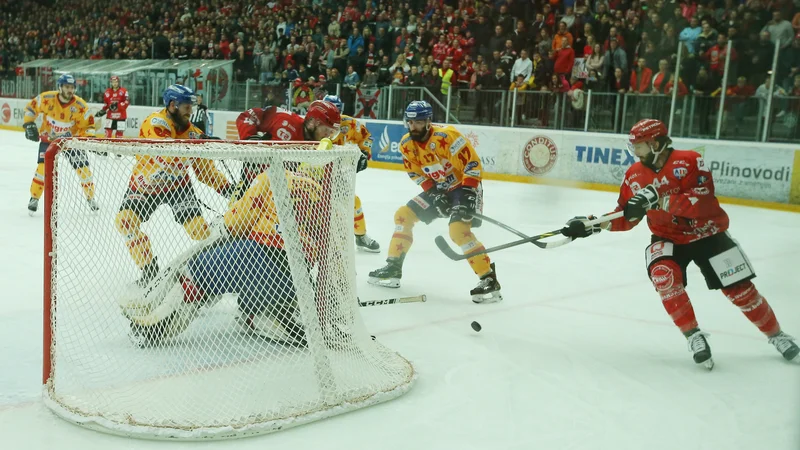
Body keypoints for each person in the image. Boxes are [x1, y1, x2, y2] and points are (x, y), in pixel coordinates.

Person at [560, 119, 800, 368]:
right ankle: (694, 335)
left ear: (654, 143)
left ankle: (777, 335)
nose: (635, 152)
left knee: (740, 291)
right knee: (663, 275)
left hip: (708, 234)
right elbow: (625, 215)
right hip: (667, 237)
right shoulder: (634, 175)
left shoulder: (690, 161)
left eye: (639, 146)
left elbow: (702, 203)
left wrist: (658, 201)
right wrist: (594, 224)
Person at [126, 168, 324, 347]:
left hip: (261, 256)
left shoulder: (273, 176)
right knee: (248, 304)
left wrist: (222, 225)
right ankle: (263, 314)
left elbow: (238, 221)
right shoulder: (324, 194)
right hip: (295, 279)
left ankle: (151, 329)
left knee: (198, 269)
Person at [368, 101, 502, 303]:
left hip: (464, 187)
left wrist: (467, 195)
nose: (414, 127)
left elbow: (472, 164)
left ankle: (488, 279)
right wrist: (433, 193)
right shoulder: (406, 144)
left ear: (429, 121)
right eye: (410, 122)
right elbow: (415, 173)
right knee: (403, 215)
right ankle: (393, 267)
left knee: (458, 230)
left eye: (419, 122)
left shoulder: (447, 137)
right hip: (439, 189)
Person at [115, 85, 233, 288]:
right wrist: (195, 145)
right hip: (145, 185)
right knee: (125, 222)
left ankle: (214, 273)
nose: (191, 111)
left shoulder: (194, 133)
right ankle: (149, 270)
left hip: (178, 186)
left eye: (192, 106)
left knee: (199, 232)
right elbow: (166, 156)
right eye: (187, 106)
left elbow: (206, 172)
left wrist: (229, 190)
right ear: (172, 105)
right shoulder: (155, 123)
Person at [23, 73, 98, 214]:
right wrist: (28, 124)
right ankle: (34, 198)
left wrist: (89, 139)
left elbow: (88, 126)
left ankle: (90, 197)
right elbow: (31, 108)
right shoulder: (47, 98)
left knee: (84, 170)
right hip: (49, 141)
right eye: (67, 87)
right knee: (42, 169)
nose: (70, 90)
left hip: (71, 142)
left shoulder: (80, 106)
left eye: (72, 87)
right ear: (60, 87)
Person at [232, 100, 342, 195]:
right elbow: (247, 116)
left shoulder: (320, 145)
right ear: (312, 123)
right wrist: (250, 138)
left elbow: (334, 163)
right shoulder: (285, 120)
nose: (328, 136)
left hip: (284, 194)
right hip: (252, 184)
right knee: (234, 214)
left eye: (332, 133)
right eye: (327, 130)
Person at [322, 95, 379, 252]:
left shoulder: (351, 124)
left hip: (337, 174)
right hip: (314, 173)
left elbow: (367, 137)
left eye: (337, 112)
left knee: (354, 203)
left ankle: (361, 236)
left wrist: (364, 153)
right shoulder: (316, 124)